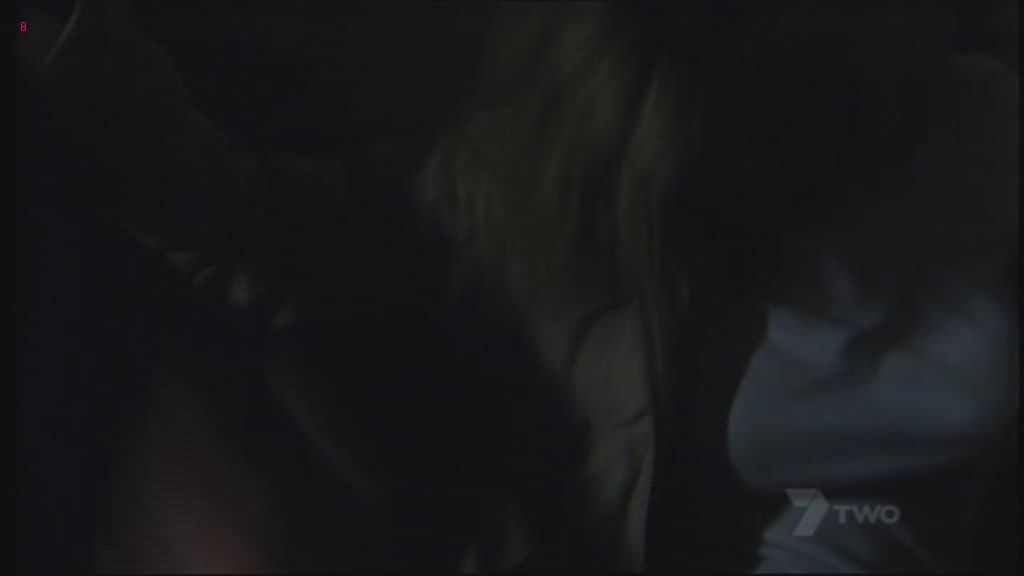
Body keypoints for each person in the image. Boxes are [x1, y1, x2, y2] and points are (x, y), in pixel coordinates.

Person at [18, 1, 1018, 572]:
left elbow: (873, 507)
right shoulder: (559, 168)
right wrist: (63, 45)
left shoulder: (973, 174)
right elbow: (266, 232)